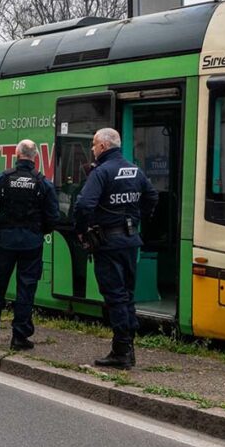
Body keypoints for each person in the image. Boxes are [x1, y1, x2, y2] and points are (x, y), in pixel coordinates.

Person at [74, 128, 158, 369]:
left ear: (103, 146)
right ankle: (128, 349)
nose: (92, 149)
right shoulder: (134, 170)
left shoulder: (101, 172)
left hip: (108, 243)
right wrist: (136, 219)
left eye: (93, 145)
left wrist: (81, 230)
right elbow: (152, 197)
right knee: (127, 295)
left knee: (115, 296)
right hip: (130, 241)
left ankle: (121, 351)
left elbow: (84, 205)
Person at [0, 139, 60, 350]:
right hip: (31, 243)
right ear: (35, 156)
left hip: (5, 242)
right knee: (26, 289)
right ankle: (19, 337)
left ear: (16, 154)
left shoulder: (2, 179)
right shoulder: (43, 183)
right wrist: (40, 231)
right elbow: (53, 216)